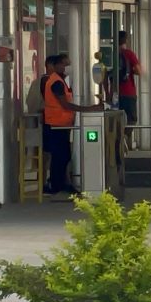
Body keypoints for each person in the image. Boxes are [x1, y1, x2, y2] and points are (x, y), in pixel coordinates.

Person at [41, 53, 104, 196]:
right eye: (65, 64)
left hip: (62, 124)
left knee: (64, 155)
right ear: (56, 65)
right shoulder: (56, 82)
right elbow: (65, 104)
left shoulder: (61, 81)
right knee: (60, 156)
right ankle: (56, 185)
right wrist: (89, 109)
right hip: (56, 124)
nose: (67, 67)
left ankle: (60, 183)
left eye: (68, 64)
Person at [115, 30, 142, 148]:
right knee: (132, 119)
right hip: (129, 92)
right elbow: (139, 71)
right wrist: (131, 70)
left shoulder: (111, 54)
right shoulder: (129, 54)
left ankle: (116, 142)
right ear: (125, 40)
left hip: (116, 93)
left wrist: (108, 92)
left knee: (116, 119)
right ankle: (124, 137)